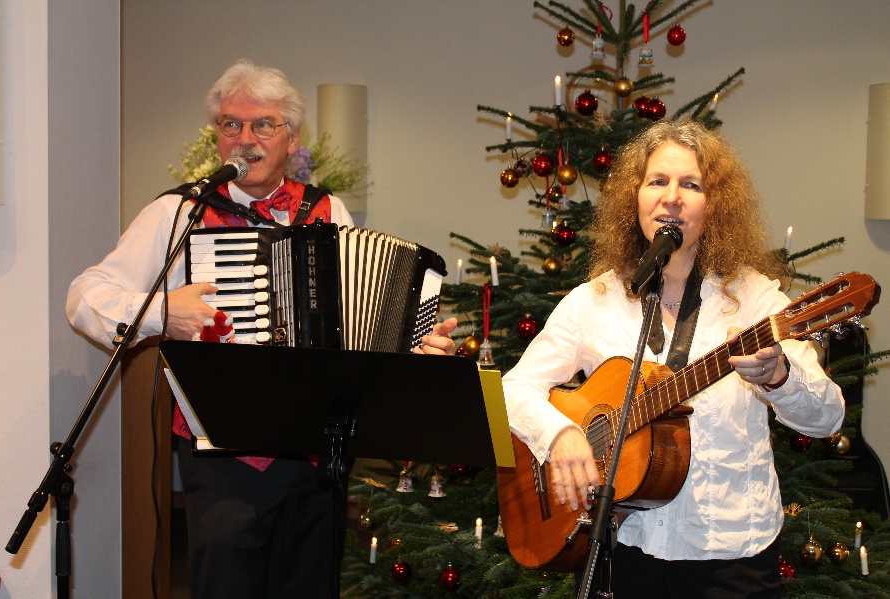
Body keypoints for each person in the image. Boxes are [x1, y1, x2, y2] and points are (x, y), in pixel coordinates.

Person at [66, 59, 457, 599]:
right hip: (224, 451)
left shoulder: (326, 209)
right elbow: (85, 296)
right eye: (231, 123)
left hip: (316, 452)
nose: (245, 138)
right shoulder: (179, 213)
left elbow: (360, 320)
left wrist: (414, 347)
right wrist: (161, 311)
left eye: (263, 125)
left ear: (291, 138)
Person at [502, 120, 844, 598]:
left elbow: (828, 418)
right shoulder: (593, 300)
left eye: (691, 185)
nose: (671, 198)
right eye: (657, 181)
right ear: (635, 197)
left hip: (730, 554)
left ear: (715, 204)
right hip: (622, 548)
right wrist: (557, 434)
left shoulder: (756, 299)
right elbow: (513, 390)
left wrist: (779, 376)